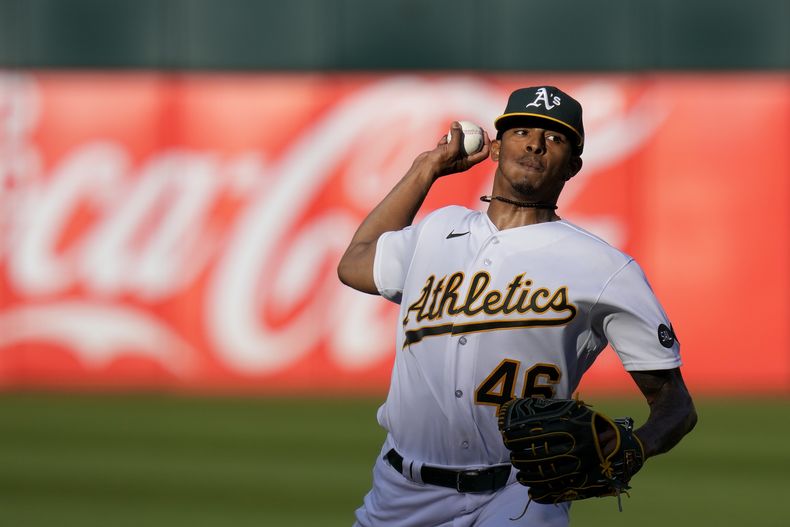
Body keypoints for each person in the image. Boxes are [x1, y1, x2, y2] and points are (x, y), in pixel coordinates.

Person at [337, 85, 697, 527]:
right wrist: (425, 168)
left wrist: (638, 447)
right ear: (495, 147)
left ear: (574, 165)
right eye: (521, 130)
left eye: (555, 138)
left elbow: (675, 403)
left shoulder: (604, 268)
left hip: (522, 496)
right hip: (401, 492)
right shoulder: (436, 230)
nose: (534, 143)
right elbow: (354, 263)